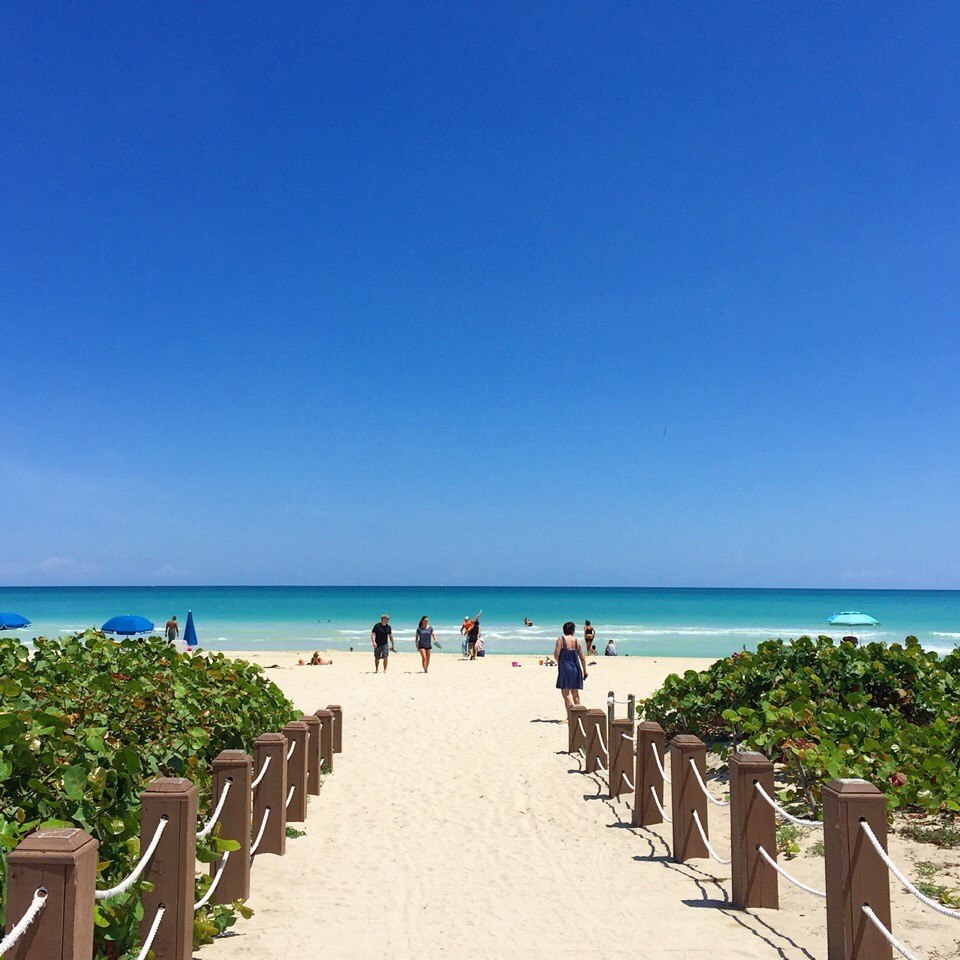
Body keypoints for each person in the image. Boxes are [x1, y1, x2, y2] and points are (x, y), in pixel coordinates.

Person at [554, 621, 587, 712]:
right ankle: (579, 714)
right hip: (576, 668)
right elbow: (582, 658)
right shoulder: (577, 641)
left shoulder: (561, 640)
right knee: (575, 694)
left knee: (566, 693)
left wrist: (561, 663)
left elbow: (556, 655)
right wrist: (585, 671)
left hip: (565, 668)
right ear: (573, 630)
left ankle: (571, 715)